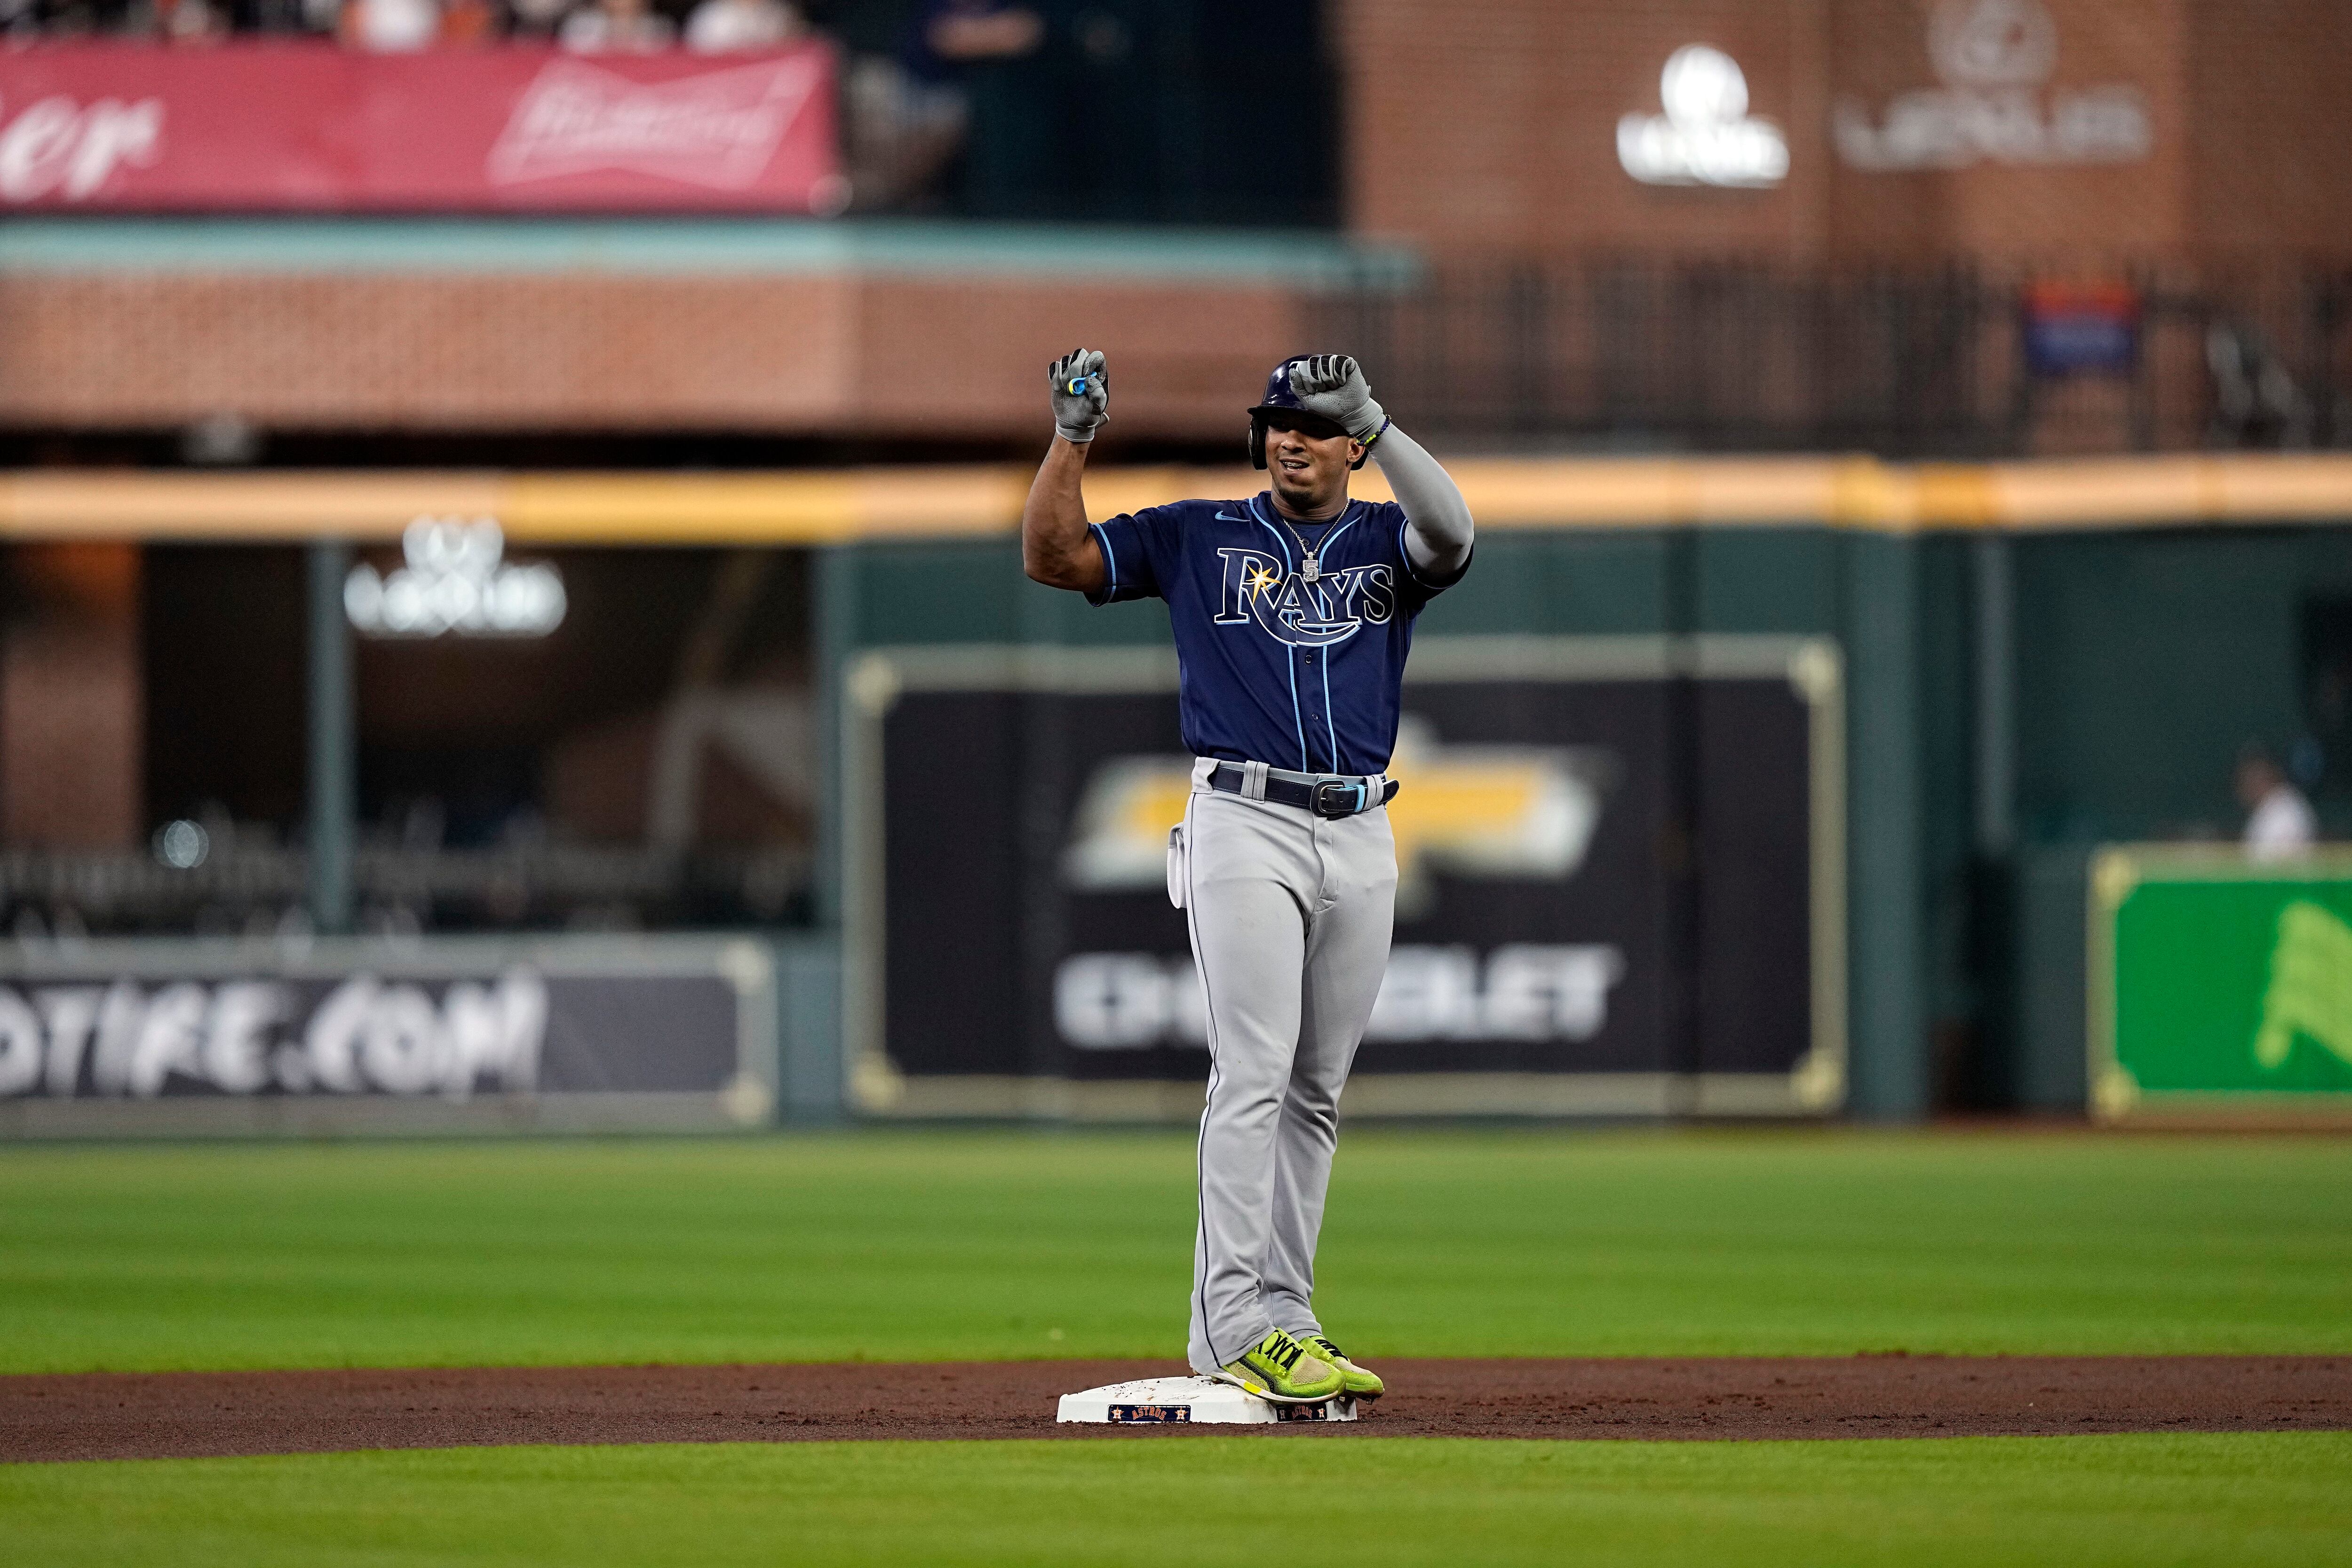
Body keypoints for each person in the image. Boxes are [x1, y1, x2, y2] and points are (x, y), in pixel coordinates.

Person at [1021, 350, 1474, 1405]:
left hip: (1362, 826)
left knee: (1314, 1091)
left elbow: (1452, 533)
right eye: (1277, 420)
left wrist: (1382, 417)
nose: (1288, 436)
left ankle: (1288, 1315)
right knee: (1255, 1071)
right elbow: (1055, 558)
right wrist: (1072, 439)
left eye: (1314, 424)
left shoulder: (1382, 539)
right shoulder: (1197, 531)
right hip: (1243, 816)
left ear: (1352, 443)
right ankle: (1233, 1320)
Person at [2238, 746, 2316, 862]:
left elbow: (2285, 865)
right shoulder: (2266, 808)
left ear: (2272, 774)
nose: (2250, 783)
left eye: (2257, 775)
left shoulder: (2288, 811)